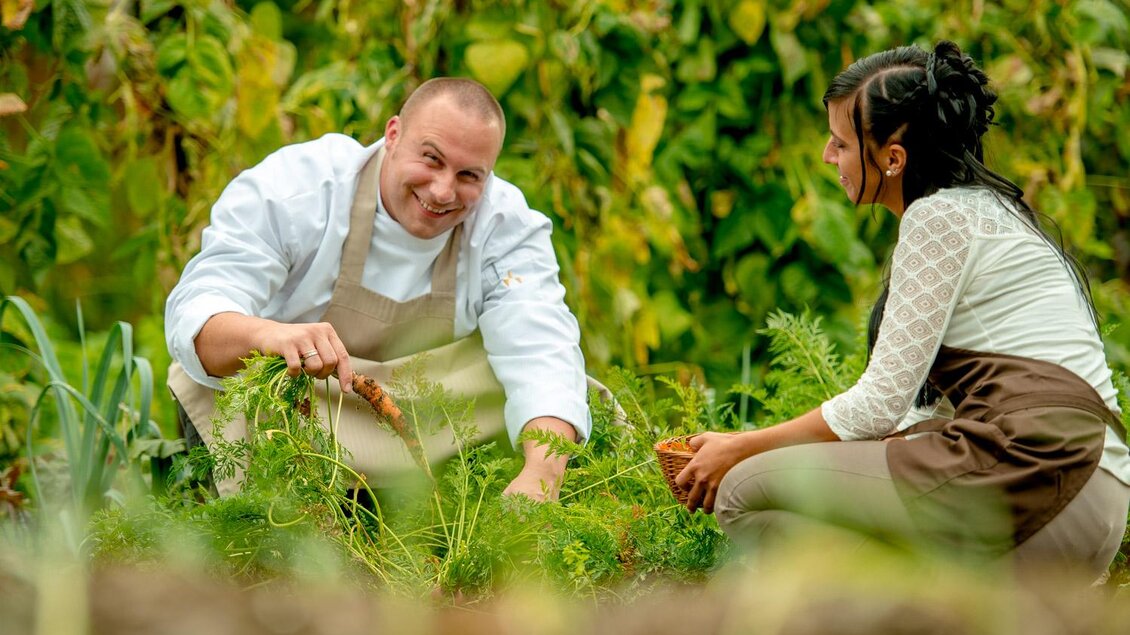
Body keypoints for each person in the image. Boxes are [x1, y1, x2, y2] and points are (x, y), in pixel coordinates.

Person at [676, 41, 1130, 576]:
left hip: (1039, 475)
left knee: (744, 488)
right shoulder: (992, 214)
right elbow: (922, 416)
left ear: (893, 159)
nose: (827, 156)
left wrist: (742, 447)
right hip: (1092, 495)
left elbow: (876, 407)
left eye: (840, 143)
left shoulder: (938, 219)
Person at [165, 78, 590, 501]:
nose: (442, 191)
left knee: (571, 400)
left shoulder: (505, 224)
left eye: (468, 175)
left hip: (430, 419)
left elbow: (539, 347)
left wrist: (541, 472)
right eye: (431, 159)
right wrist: (270, 335)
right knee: (243, 382)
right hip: (301, 414)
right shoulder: (299, 187)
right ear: (393, 135)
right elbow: (199, 311)